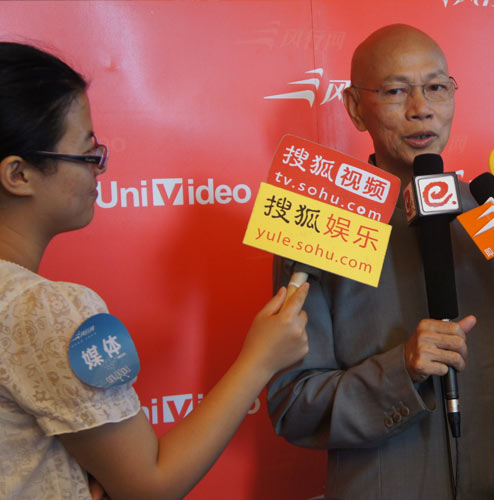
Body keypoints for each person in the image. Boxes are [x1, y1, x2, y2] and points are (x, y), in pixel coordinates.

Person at [267, 24, 494, 500]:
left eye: (436, 88)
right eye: (395, 91)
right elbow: (293, 403)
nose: (421, 108)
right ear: (354, 107)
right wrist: (400, 369)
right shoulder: (318, 225)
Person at [0, 41, 310, 499]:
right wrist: (259, 360)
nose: (99, 172)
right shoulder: (45, 309)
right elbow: (151, 485)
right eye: (88, 155)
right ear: (18, 175)